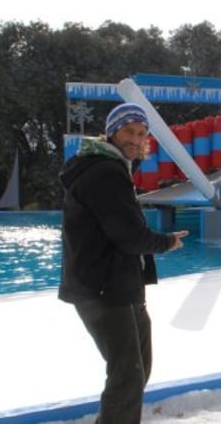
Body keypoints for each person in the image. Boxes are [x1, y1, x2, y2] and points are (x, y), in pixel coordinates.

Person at [59, 102, 189, 424]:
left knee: (136, 368)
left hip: (118, 284)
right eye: (130, 131)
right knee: (127, 374)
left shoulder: (112, 167)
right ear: (113, 131)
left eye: (142, 133)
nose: (136, 138)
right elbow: (129, 236)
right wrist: (167, 242)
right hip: (102, 288)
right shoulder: (104, 172)